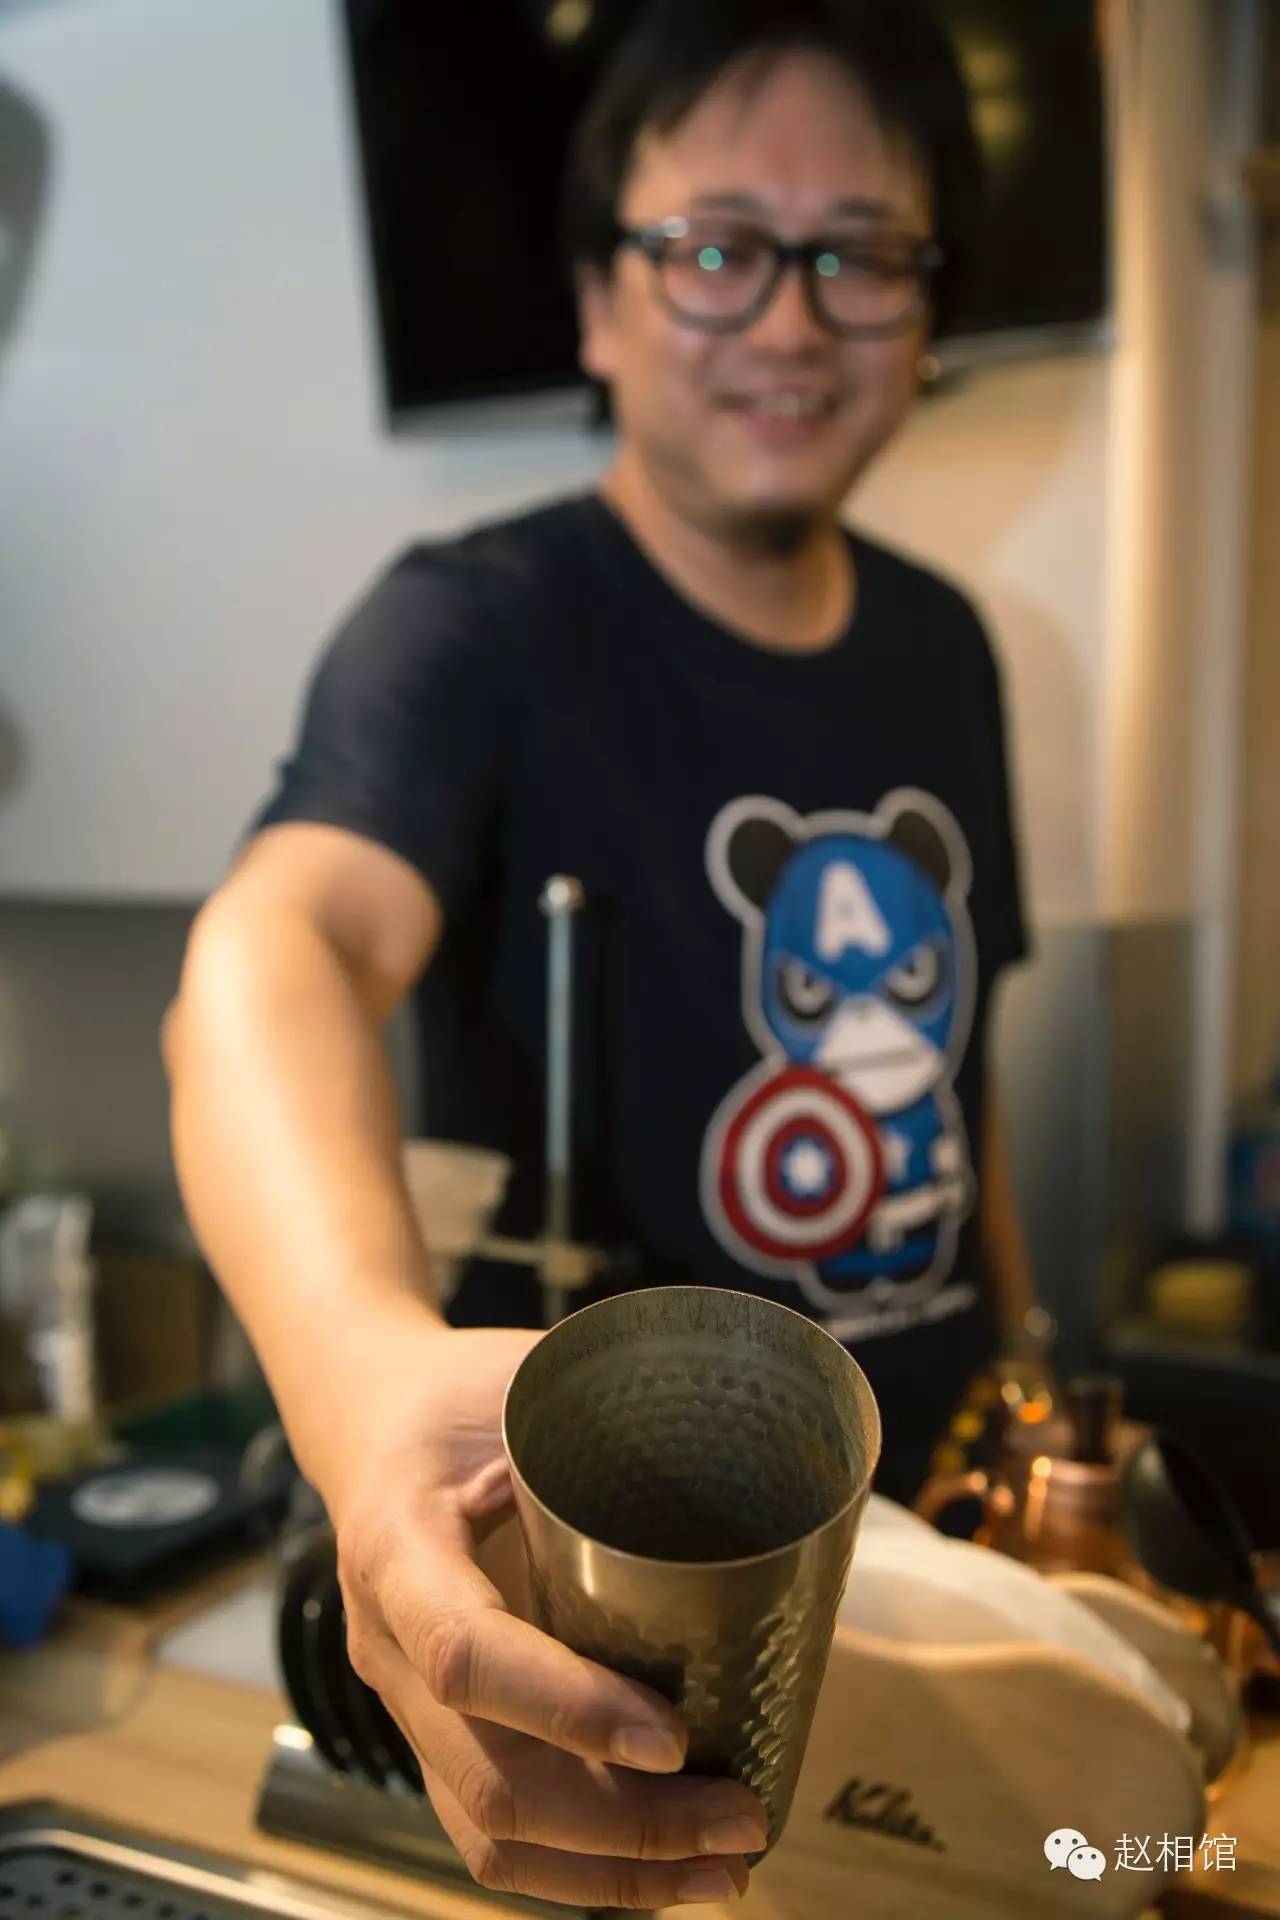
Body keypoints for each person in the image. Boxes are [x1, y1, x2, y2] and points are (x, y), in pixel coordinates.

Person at [164, 0, 1037, 1905]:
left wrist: (1029, 1377)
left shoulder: (947, 650)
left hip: (936, 1570)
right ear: (597, 303)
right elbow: (279, 948)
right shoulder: (473, 629)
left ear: (924, 309)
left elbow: (964, 1103)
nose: (791, 320)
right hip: (622, 1630)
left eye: (859, 255)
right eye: (717, 249)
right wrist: (358, 1379)